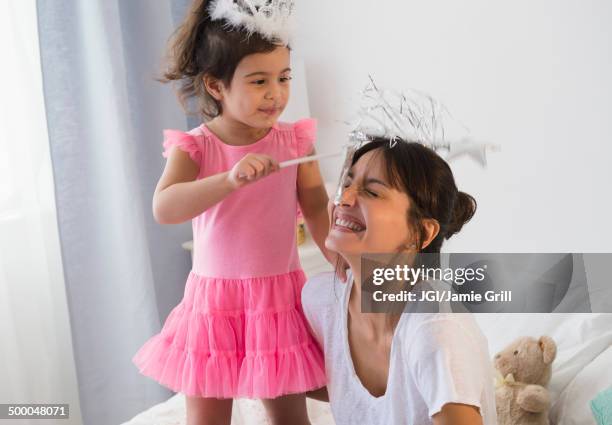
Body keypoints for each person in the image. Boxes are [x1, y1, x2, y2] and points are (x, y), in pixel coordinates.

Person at [132, 1, 333, 424]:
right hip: (213, 303)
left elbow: (315, 206)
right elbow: (164, 207)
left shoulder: (295, 143)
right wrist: (229, 180)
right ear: (217, 86)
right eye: (259, 81)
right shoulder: (198, 146)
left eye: (283, 78)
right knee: (206, 415)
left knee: (290, 415)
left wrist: (344, 263)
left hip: (278, 300)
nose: (275, 93)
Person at [302, 138, 498, 424]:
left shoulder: (437, 330)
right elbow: (324, 383)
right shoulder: (321, 300)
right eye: (346, 184)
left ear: (421, 232)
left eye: (371, 191)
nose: (344, 198)